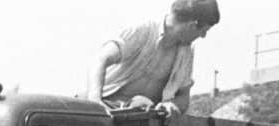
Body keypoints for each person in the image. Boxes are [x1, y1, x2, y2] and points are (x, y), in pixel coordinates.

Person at [88, 0, 221, 116]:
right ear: (191, 25)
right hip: (106, 109)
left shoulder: (187, 51)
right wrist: (95, 103)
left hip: (140, 121)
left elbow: (184, 97)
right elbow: (100, 61)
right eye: (204, 31)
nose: (203, 36)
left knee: (141, 104)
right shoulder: (142, 29)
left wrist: (172, 104)